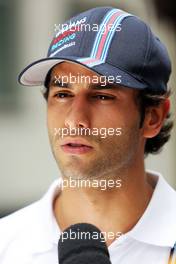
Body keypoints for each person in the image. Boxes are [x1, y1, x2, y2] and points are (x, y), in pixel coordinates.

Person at [0, 6, 175, 264]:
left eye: (102, 96)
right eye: (62, 94)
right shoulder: (6, 245)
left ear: (153, 117)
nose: (74, 119)